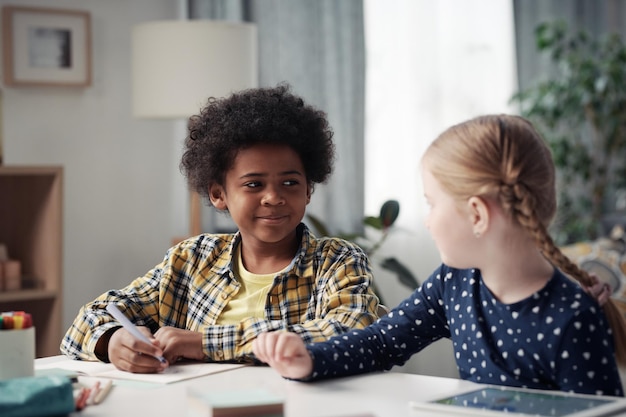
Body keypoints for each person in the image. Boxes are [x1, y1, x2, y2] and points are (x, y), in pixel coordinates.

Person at [253, 114, 626, 396]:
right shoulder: (454, 282)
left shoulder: (572, 319)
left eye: (431, 204)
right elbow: (382, 342)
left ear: (477, 214)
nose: (428, 221)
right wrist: (311, 359)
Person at [61, 84, 380, 373]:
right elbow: (92, 317)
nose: (273, 197)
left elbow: (350, 330)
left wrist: (202, 342)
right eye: (254, 184)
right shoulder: (191, 260)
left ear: (308, 189)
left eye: (290, 182)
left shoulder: (337, 261)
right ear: (218, 194)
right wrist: (114, 340)